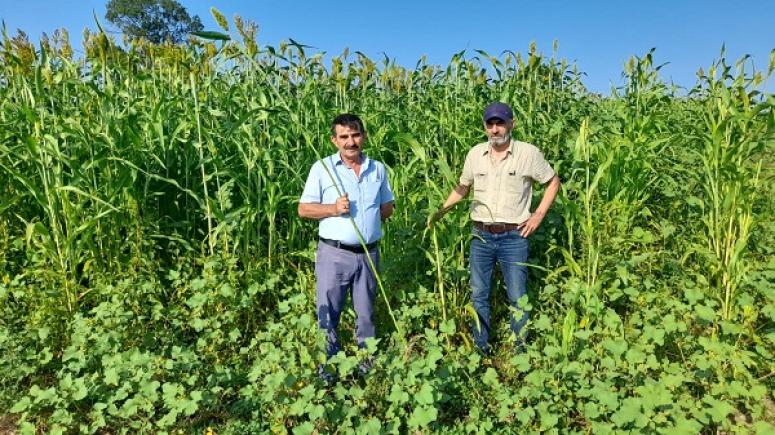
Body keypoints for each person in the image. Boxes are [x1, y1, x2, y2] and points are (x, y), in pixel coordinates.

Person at [430, 102, 561, 355]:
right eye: (490, 124)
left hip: (514, 236)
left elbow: (553, 182)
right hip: (481, 235)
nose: (495, 129)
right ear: (484, 127)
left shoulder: (528, 154)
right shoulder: (475, 154)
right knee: (479, 293)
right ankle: (481, 348)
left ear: (512, 123)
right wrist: (441, 212)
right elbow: (463, 187)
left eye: (500, 123)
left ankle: (520, 351)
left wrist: (538, 215)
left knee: (517, 295)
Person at [298, 113, 395, 381]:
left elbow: (387, 207)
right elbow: (304, 209)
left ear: (363, 136)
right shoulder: (323, 168)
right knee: (329, 312)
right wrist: (332, 208)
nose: (351, 142)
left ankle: (367, 366)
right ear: (334, 140)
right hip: (334, 254)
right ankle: (328, 369)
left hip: (368, 253)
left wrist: (370, 220)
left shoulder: (377, 169)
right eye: (344, 137)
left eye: (355, 135)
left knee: (366, 314)